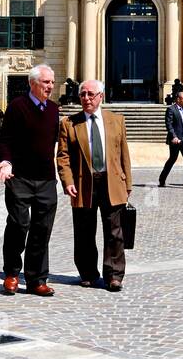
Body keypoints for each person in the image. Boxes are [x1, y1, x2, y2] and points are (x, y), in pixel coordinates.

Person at [57, 79, 132, 292]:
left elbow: (123, 154)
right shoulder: (69, 123)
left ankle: (114, 275)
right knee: (84, 231)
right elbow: (62, 157)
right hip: (83, 183)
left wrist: (128, 183)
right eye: (83, 95)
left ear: (101, 96)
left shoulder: (117, 120)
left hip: (111, 181)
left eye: (91, 94)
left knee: (115, 231)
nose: (86, 98)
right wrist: (67, 182)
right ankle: (88, 273)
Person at [0, 65, 60, 297]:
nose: (50, 86)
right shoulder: (17, 107)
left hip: (45, 179)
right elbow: (4, 140)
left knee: (42, 229)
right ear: (33, 83)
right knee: (18, 225)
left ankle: (36, 279)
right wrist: (6, 161)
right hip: (19, 178)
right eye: (46, 82)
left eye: (52, 82)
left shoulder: (54, 109)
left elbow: (54, 142)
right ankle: (12, 273)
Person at [160, 90, 183, 188]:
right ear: (178, 99)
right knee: (172, 159)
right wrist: (174, 136)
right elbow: (169, 124)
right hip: (175, 139)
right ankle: (162, 179)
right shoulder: (171, 109)